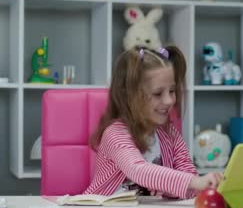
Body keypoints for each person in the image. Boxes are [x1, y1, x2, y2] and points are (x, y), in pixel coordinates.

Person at [84, 45, 224, 199]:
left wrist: (206, 185)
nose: (169, 100)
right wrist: (195, 182)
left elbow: (190, 183)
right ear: (129, 95)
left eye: (172, 90)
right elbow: (138, 171)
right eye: (158, 93)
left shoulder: (170, 133)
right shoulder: (115, 134)